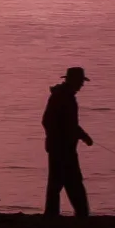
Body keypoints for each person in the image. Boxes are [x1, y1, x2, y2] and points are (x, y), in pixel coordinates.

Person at [42, 66, 93, 216]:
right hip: (61, 147)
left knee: (63, 182)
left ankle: (56, 214)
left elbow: (70, 124)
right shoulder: (61, 97)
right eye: (80, 81)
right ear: (73, 81)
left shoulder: (66, 96)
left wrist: (83, 136)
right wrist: (62, 139)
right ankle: (79, 214)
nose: (82, 85)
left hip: (64, 146)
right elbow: (47, 121)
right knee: (68, 181)